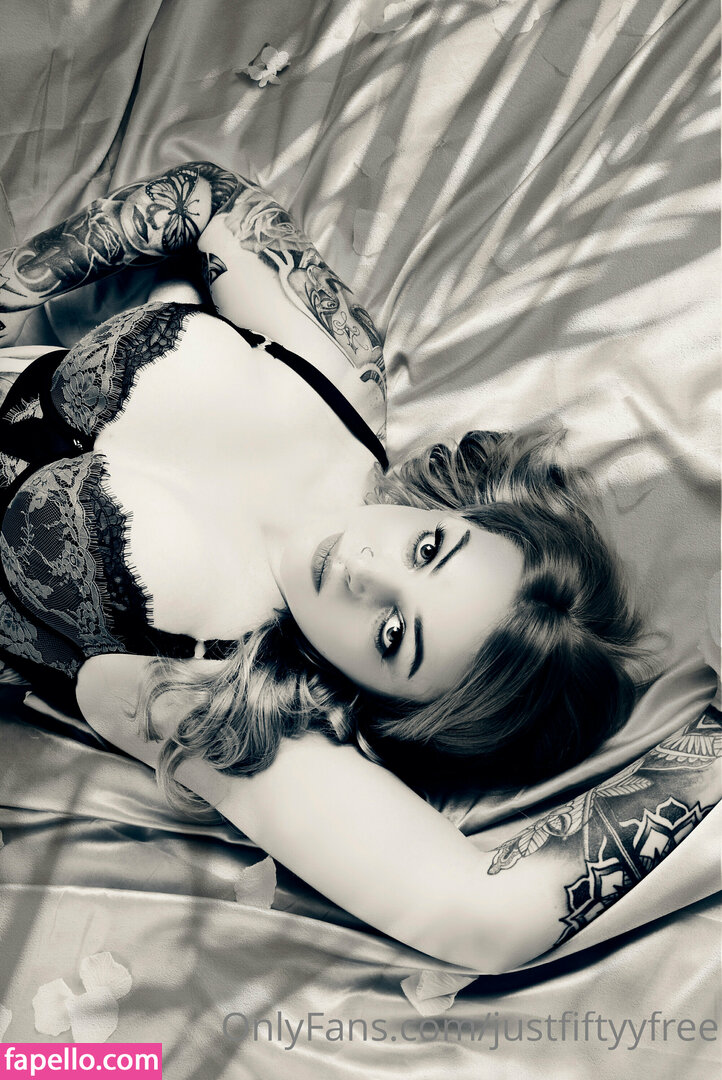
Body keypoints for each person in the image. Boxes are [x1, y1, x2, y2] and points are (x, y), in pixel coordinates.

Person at [2, 159, 714, 974]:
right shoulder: (338, 373)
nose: (361, 570)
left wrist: (713, 746)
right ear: (461, 513)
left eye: (391, 635)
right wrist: (21, 280)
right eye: (428, 550)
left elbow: (486, 917)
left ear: (387, 705)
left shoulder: (213, 696)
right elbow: (208, 199)